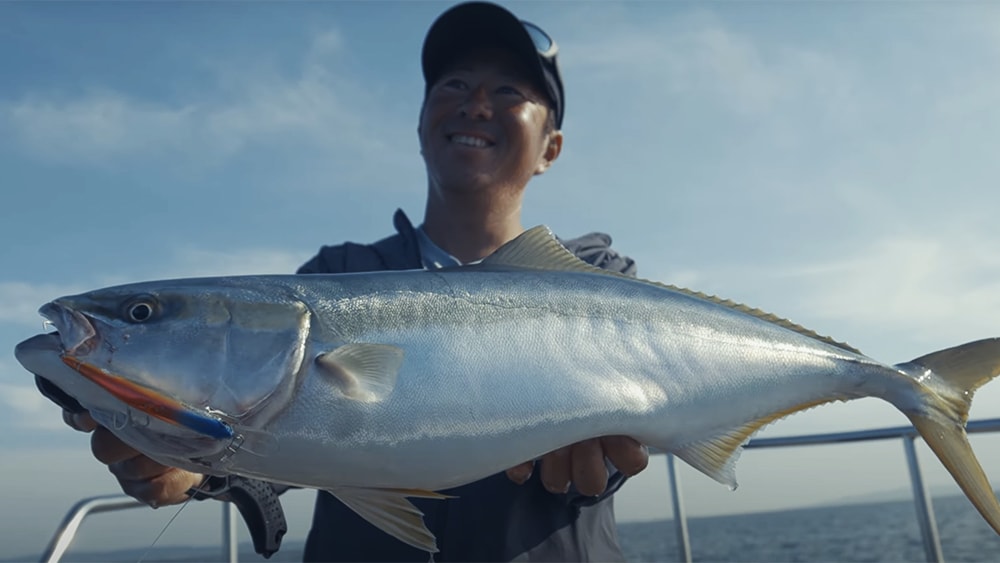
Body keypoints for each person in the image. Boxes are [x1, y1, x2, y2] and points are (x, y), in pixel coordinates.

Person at [60, 2, 649, 560]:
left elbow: (653, 416)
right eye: (453, 85)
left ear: (552, 147)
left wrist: (602, 465)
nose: (475, 104)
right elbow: (277, 425)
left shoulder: (604, 279)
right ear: (421, 124)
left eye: (509, 91)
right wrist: (192, 468)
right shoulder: (335, 276)